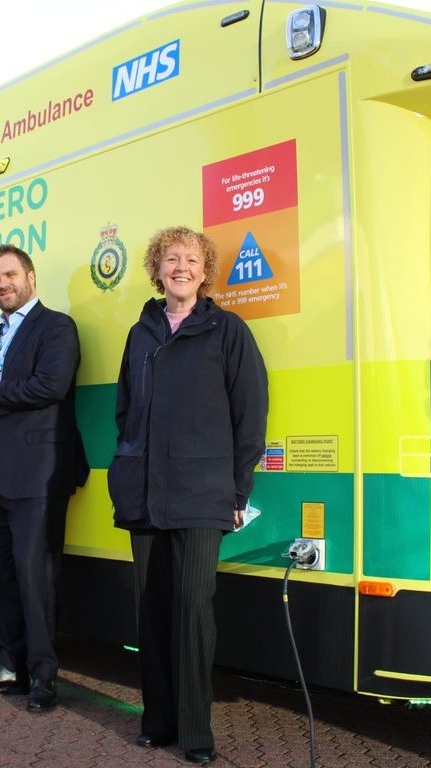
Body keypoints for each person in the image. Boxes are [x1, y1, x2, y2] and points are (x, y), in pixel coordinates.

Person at [107, 226, 268, 765]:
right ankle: (158, 721)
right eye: (171, 259)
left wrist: (238, 489)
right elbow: (126, 409)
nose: (181, 267)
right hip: (145, 493)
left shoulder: (227, 330)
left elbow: (250, 414)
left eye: (192, 260)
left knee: (194, 607)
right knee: (150, 608)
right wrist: (129, 461)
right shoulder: (141, 332)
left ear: (205, 271)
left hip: (202, 494)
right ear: (157, 269)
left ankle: (195, 732)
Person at [0, 244, 88, 712]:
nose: (2, 285)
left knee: (37, 579)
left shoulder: (57, 328)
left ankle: (44, 676)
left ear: (30, 277)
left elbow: (50, 387)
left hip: (38, 477)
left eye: (9, 275)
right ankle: (9, 664)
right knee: (3, 577)